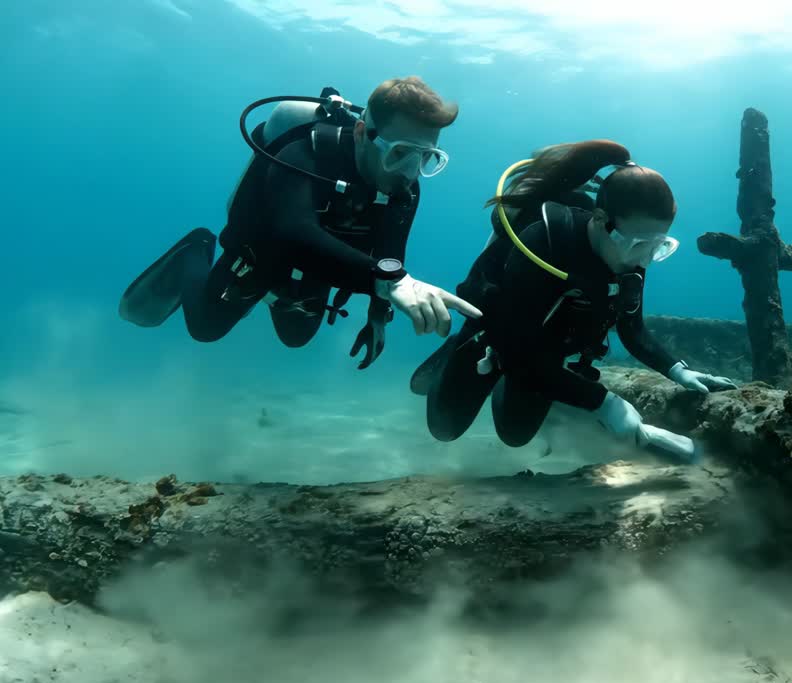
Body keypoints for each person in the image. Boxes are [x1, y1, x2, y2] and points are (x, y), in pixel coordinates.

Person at [118, 77, 481, 369]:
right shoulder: (307, 152)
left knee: (296, 338)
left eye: (426, 157)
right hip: (262, 251)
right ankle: (195, 252)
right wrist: (387, 282)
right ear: (360, 133)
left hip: (326, 265)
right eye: (400, 152)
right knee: (204, 328)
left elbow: (390, 257)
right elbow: (292, 233)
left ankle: (277, 297)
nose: (409, 170)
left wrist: (378, 315)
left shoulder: (406, 188)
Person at [412, 140, 736, 464]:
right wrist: (605, 402)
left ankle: (515, 386)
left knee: (515, 435)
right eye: (640, 244)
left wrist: (677, 370)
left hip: (541, 355)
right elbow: (516, 350)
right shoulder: (545, 241)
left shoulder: (631, 255)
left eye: (660, 246)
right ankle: (454, 352)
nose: (647, 259)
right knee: (445, 427)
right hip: (496, 340)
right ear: (599, 219)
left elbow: (631, 327)